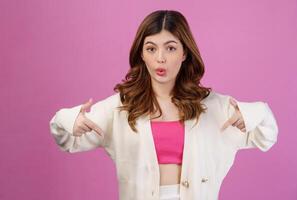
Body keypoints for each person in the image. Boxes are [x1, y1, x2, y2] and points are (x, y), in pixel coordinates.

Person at [49, 10, 279, 200]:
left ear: (184, 53)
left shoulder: (213, 107)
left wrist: (251, 115)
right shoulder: (121, 108)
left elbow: (266, 136)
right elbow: (66, 139)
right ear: (142, 54)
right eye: (151, 48)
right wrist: (71, 121)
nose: (160, 58)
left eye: (170, 48)